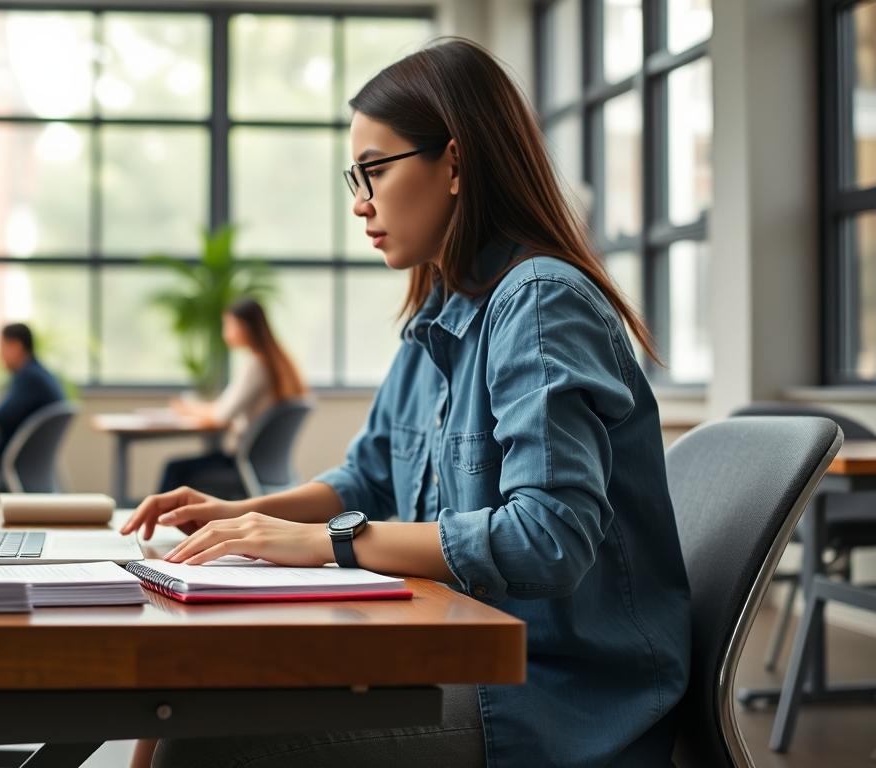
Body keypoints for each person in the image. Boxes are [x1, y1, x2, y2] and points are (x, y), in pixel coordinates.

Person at [121, 39, 690, 768]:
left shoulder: (540, 301)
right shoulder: (441, 311)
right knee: (188, 700)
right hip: (463, 653)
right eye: (351, 179)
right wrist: (242, 520)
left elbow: (548, 537)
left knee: (198, 741)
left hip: (551, 699)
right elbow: (371, 477)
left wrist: (329, 543)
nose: (359, 204)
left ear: (454, 161)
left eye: (375, 171)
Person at [157, 298, 306, 499]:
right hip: (266, 468)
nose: (225, 332)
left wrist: (188, 408)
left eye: (229, 325)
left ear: (245, 327)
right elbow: (225, 409)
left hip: (241, 465)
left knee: (175, 469)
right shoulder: (277, 363)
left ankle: (155, 527)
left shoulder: (256, 365)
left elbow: (222, 415)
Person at [0, 322, 65, 462]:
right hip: (32, 464)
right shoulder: (39, 373)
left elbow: (2, 415)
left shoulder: (28, 377)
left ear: (16, 346)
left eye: (2, 347)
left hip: (18, 463)